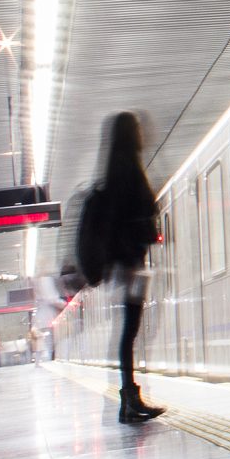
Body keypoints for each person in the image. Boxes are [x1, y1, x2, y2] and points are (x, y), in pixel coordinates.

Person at [80, 111, 163, 424]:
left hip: (129, 263)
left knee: (129, 331)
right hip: (131, 264)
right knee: (130, 331)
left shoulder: (118, 168)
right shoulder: (128, 169)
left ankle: (129, 398)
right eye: (138, 129)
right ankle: (129, 399)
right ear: (131, 134)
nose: (143, 132)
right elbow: (130, 218)